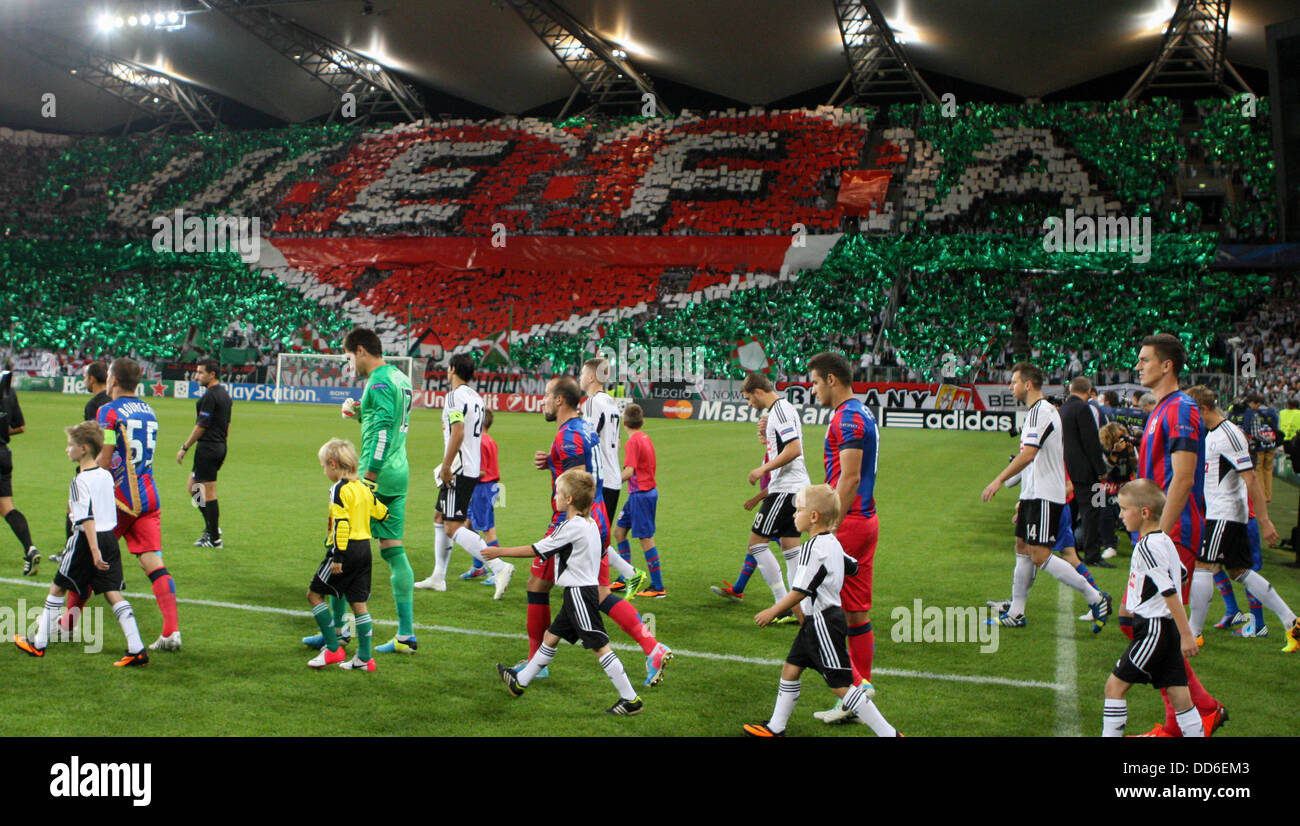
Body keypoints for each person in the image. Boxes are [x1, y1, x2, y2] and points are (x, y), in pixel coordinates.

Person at [523, 376, 671, 687]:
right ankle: (652, 646)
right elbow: (581, 470)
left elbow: (578, 484)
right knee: (600, 592)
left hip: (578, 520)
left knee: (538, 586)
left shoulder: (568, 436)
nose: (544, 401)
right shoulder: (583, 427)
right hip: (598, 519)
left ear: (560, 400)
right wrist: (551, 463)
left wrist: (568, 529)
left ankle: (537, 660)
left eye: (547, 395)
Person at [742, 484, 899, 738]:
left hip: (823, 622)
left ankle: (889, 733)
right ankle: (775, 727)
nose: (794, 515)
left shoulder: (811, 549)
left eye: (798, 510)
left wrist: (773, 610)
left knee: (841, 686)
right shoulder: (832, 542)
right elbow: (853, 566)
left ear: (813, 517)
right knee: (791, 669)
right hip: (820, 621)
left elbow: (799, 591)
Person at [489, 469, 644, 715]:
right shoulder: (590, 523)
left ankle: (631, 699)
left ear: (569, 500)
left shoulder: (570, 527)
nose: (556, 497)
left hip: (580, 595)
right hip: (580, 592)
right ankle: (520, 682)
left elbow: (536, 550)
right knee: (551, 636)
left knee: (599, 645)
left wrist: (499, 552)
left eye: (559, 493)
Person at [1132, 333, 1226, 736]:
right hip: (1159, 535)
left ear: (1166, 364)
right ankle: (1194, 714)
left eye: (1144, 359)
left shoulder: (1182, 408)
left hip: (1174, 535)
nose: (1138, 366)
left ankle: (1194, 715)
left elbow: (1183, 478)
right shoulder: (1161, 409)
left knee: (1153, 625)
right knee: (1141, 623)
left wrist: (1159, 540)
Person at [980, 362, 1112, 630]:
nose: (1010, 386)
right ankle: (1017, 612)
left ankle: (1095, 597)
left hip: (1044, 495)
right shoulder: (1036, 412)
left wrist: (999, 480)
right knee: (1022, 547)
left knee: (1040, 556)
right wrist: (1022, 496)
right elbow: (1033, 459)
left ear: (1028, 384)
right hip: (1034, 494)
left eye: (1014, 381)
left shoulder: (1042, 411)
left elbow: (1028, 455)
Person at [310, 328, 417, 655]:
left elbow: (383, 434)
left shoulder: (380, 382)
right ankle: (405, 635)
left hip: (375, 474)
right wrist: (359, 413)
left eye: (348, 356)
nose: (349, 363)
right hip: (399, 472)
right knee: (393, 550)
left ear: (360, 350)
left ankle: (341, 631)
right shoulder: (400, 377)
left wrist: (368, 478)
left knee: (342, 545)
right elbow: (385, 422)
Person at [14, 420, 149, 665]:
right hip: (109, 538)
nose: (67, 450)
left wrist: (94, 551)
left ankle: (38, 643)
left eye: (70, 445)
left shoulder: (80, 481)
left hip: (88, 542)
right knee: (112, 593)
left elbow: (86, 518)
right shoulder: (105, 475)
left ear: (84, 448)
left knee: (57, 587)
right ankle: (137, 648)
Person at [1184, 386, 1299, 652]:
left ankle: (1193, 634)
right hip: (1220, 513)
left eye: (1192, 414)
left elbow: (1251, 479)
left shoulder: (1228, 434)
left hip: (1224, 514)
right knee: (1239, 572)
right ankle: (1292, 623)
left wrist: (1265, 520)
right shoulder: (1214, 434)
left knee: (1203, 565)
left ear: (1203, 409)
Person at [78, 358, 181, 651]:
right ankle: (171, 631)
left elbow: (106, 458)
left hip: (118, 499)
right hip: (148, 495)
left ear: (112, 380)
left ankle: (66, 624)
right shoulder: (150, 410)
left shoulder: (107, 412)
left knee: (87, 556)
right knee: (152, 561)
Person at [806, 352, 882, 724]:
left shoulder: (848, 417)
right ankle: (860, 686)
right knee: (856, 611)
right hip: (866, 520)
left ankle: (854, 690)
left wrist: (831, 526)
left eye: (816, 382)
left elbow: (849, 477)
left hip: (849, 522)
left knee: (815, 609)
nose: (813, 389)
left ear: (832, 380)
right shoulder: (861, 412)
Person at [1102, 480, 1203, 737]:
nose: (1121, 515)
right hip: (1165, 627)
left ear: (1144, 512)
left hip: (1154, 628)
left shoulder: (1147, 546)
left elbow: (1169, 589)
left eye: (1125, 509)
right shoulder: (1164, 541)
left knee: (1114, 688)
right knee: (1179, 694)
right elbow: (1181, 575)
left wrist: (1188, 634)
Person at [416, 353, 513, 596]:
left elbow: (457, 432)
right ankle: (438, 576)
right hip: (470, 467)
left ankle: (499, 566)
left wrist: (447, 466)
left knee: (452, 526)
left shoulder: (454, 397)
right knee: (440, 516)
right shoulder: (477, 398)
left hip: (458, 469)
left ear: (452, 370)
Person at [712, 373, 810, 606]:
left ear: (758, 392)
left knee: (756, 544)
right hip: (795, 488)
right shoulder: (783, 409)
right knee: (789, 548)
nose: (749, 404)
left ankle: (782, 603)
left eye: (748, 398)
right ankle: (801, 607)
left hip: (786, 489)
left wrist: (762, 469)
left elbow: (794, 449)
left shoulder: (780, 410)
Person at [305, 438, 387, 672]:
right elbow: (382, 512)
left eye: (323, 465)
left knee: (314, 595)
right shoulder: (362, 487)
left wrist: (338, 556)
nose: (323, 470)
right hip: (364, 550)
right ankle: (364, 658)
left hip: (346, 548)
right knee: (358, 604)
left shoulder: (339, 489)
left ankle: (333, 649)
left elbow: (341, 523)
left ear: (333, 464)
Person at [53, 362, 113, 563]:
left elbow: (91, 438)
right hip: (112, 466)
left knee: (76, 508)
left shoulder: (94, 405)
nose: (84, 380)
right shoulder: (112, 401)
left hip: (94, 465)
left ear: (92, 379)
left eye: (86, 377)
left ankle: (71, 550)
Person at [176, 357, 231, 548]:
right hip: (217, 446)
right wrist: (223, 448)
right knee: (193, 487)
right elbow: (227, 425)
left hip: (208, 447)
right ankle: (212, 525)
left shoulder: (210, 396)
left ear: (212, 374)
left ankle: (214, 538)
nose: (196, 376)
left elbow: (201, 426)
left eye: (200, 372)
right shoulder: (224, 394)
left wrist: (185, 447)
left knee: (208, 492)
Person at [614, 404, 665, 598]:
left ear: (624, 423)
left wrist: (608, 483)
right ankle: (625, 577)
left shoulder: (633, 442)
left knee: (646, 539)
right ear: (642, 421)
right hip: (641, 492)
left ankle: (658, 586)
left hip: (641, 494)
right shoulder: (645, 438)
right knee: (619, 532)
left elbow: (629, 471)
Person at [1060, 377, 1110, 567]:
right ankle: (1092, 554)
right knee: (1092, 512)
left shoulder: (1064, 408)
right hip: (1086, 472)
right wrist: (1101, 469)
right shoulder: (1083, 408)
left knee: (1071, 512)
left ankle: (1068, 551)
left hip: (1068, 469)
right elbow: (1091, 442)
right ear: (1089, 392)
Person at [0, 369, 39, 575]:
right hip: (4, 454)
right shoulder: (8, 392)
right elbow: (20, 427)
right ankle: (30, 549)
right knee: (7, 506)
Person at [459, 409, 504, 585]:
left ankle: (497, 570)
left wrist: (461, 473)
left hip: (483, 488)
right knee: (468, 524)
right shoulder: (488, 440)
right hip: (484, 487)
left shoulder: (481, 442)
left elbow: (482, 470)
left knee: (487, 529)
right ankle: (479, 566)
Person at [1243, 393, 1279, 504]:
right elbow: (1276, 426)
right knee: (1268, 470)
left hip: (1259, 444)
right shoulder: (1272, 412)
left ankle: (1261, 495)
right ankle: (1268, 496)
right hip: (1271, 442)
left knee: (1258, 469)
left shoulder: (1252, 412)